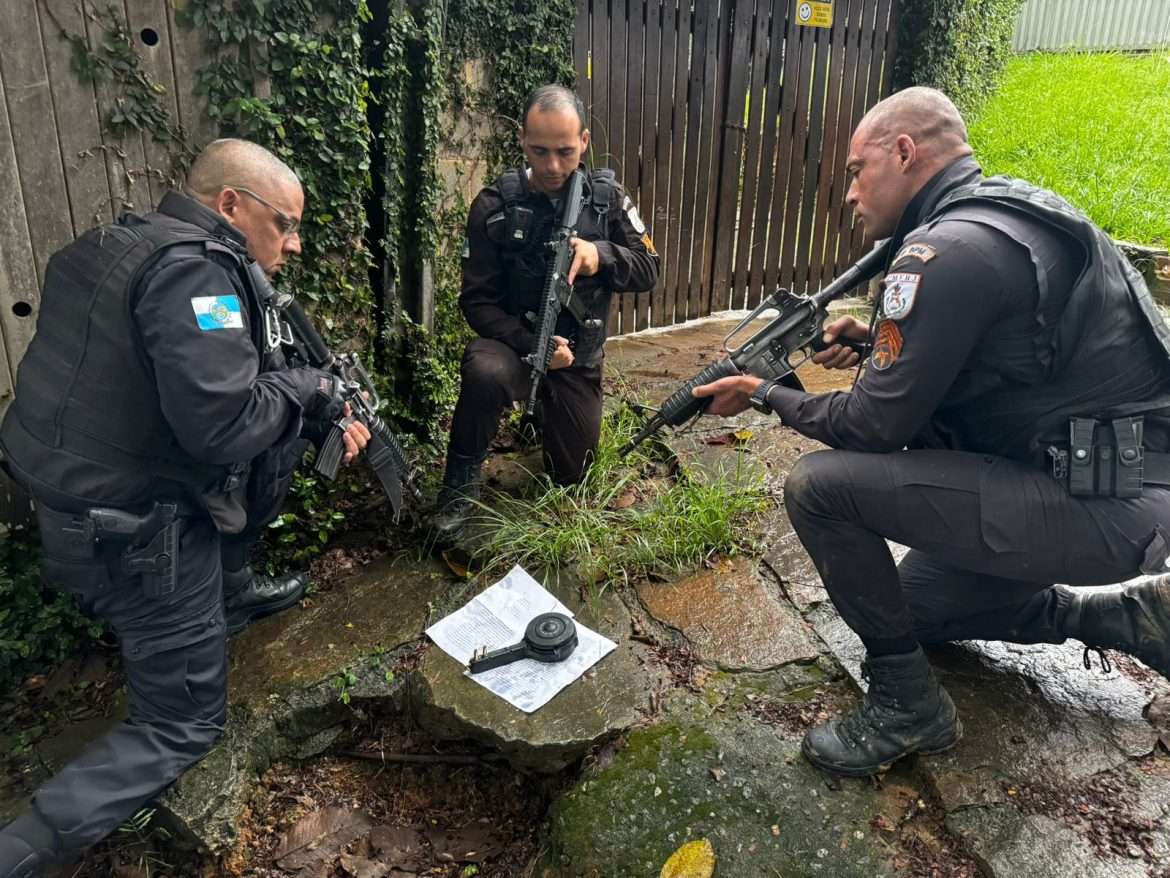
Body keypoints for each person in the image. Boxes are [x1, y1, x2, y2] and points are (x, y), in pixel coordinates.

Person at [693, 87, 1170, 778]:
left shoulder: (944, 251)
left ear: (905, 152)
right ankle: (1119, 617)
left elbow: (872, 427)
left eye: (858, 170)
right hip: (1103, 479)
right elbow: (1000, 367)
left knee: (821, 488)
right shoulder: (1007, 213)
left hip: (1105, 503)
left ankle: (906, 708)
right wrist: (880, 344)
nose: (851, 193)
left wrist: (763, 393)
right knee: (908, 613)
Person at [0, 138, 369, 874]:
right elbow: (221, 426)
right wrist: (306, 390)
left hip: (71, 500)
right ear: (231, 205)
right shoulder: (198, 276)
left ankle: (226, 593)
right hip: (136, 542)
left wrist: (301, 400)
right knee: (183, 725)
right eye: (284, 225)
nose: (292, 246)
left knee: (282, 433)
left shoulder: (115, 241)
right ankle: (22, 847)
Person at [429, 85, 660, 543]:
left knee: (574, 476)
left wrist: (601, 255)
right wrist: (527, 345)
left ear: (585, 142)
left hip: (578, 360)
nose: (553, 166)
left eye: (565, 152)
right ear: (521, 140)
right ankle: (459, 483)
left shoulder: (607, 198)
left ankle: (546, 419)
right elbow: (476, 302)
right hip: (518, 348)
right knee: (482, 367)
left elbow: (649, 267)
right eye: (539, 151)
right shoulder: (495, 206)